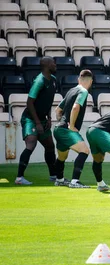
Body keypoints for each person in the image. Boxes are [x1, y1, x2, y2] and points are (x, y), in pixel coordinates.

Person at [15, 57, 58, 185]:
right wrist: (38, 122)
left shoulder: (54, 80)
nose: (55, 65)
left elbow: (48, 101)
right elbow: (29, 103)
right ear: (46, 65)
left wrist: (49, 117)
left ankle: (53, 176)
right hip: (30, 119)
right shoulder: (39, 81)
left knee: (50, 146)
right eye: (53, 63)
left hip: (43, 119)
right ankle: (19, 178)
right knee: (31, 143)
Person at [53, 70, 93, 188]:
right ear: (90, 81)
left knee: (62, 157)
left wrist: (61, 122)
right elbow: (76, 107)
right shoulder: (83, 91)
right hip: (66, 130)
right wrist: (71, 126)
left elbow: (57, 110)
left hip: (58, 129)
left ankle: (59, 180)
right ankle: (75, 182)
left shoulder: (71, 90)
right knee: (84, 151)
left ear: (78, 80)